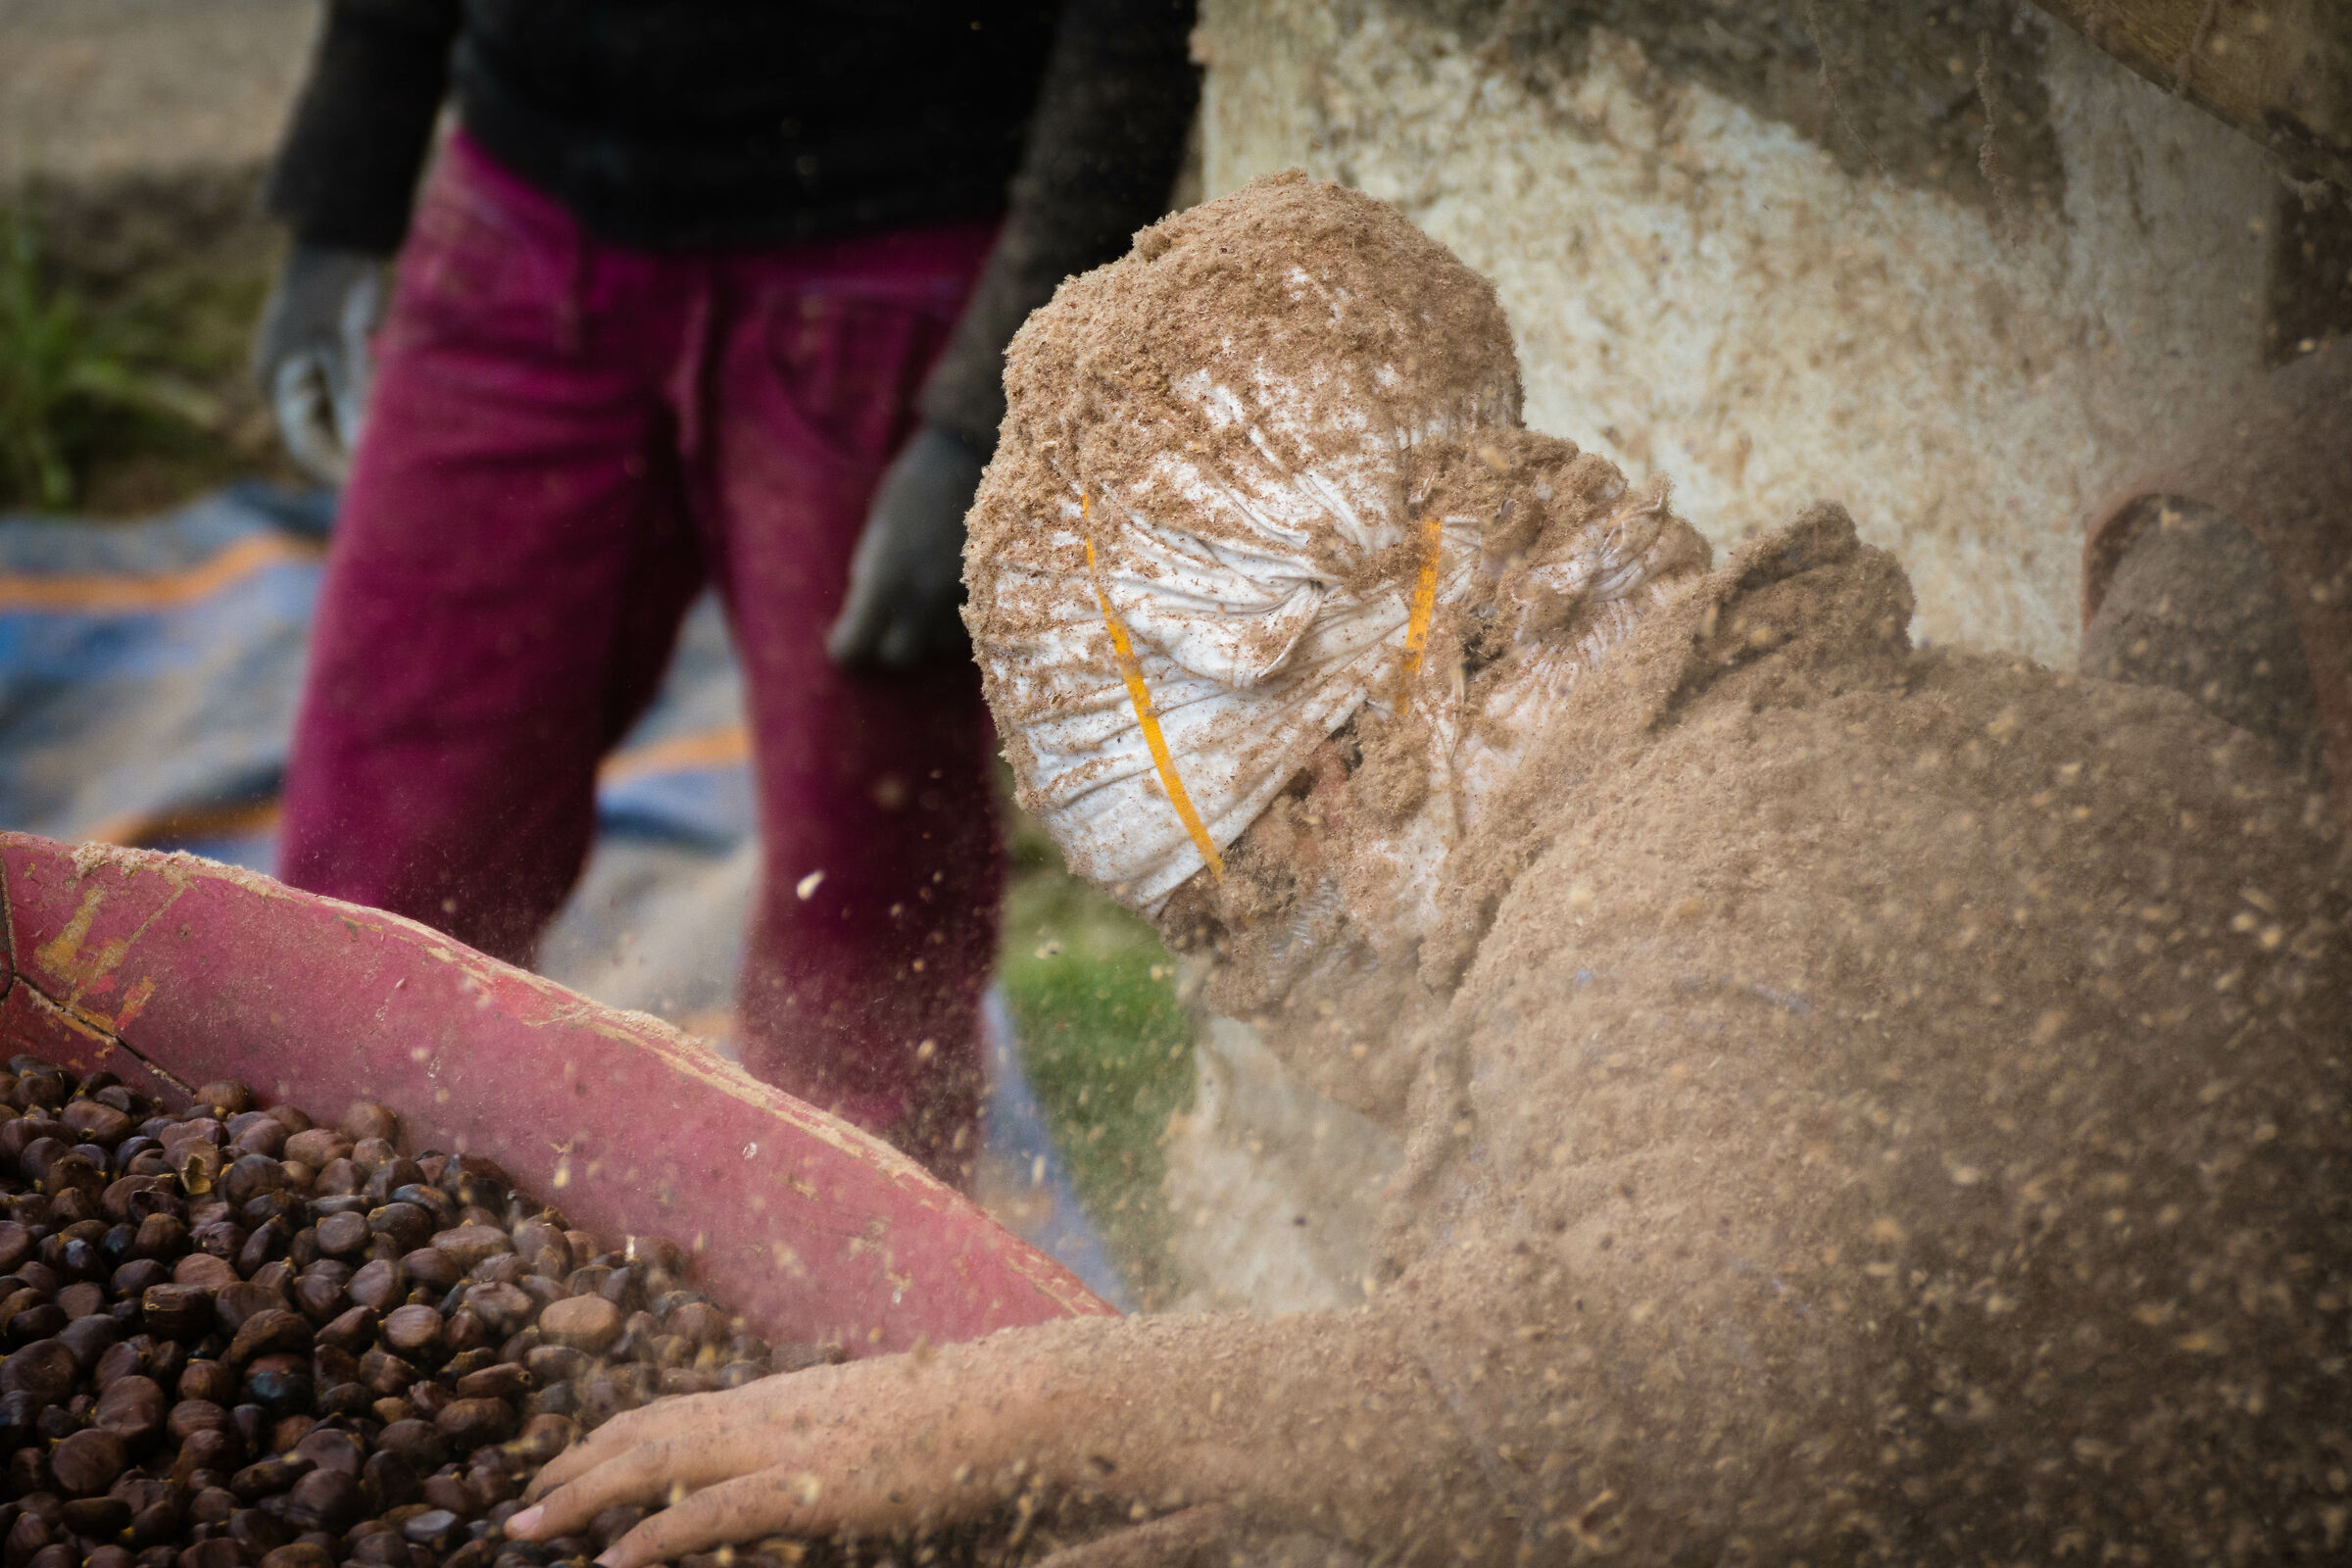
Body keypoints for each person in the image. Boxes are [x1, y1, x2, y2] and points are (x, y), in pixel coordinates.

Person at [504, 174, 2351, 1566]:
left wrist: (1027, 1412)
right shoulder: (1829, 738)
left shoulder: (1652, 945)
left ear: (1329, 783)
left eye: (1222, 906)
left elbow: (1682, 1409)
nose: (1258, 965)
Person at [249, 1, 1199, 1181]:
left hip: (893, 253)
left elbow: (1134, 23)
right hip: (526, 206)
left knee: (865, 920)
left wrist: (980, 413)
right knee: (374, 869)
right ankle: (338, 1209)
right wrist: (344, 191)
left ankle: (855, 1317)